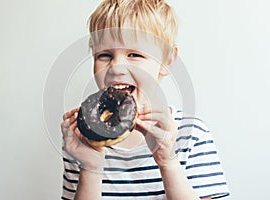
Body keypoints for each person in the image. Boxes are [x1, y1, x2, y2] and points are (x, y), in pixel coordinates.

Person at [60, 0, 230, 199]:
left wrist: (168, 162)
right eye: (104, 55)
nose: (116, 67)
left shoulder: (191, 134)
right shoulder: (82, 139)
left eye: (134, 54)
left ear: (166, 61)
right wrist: (90, 168)